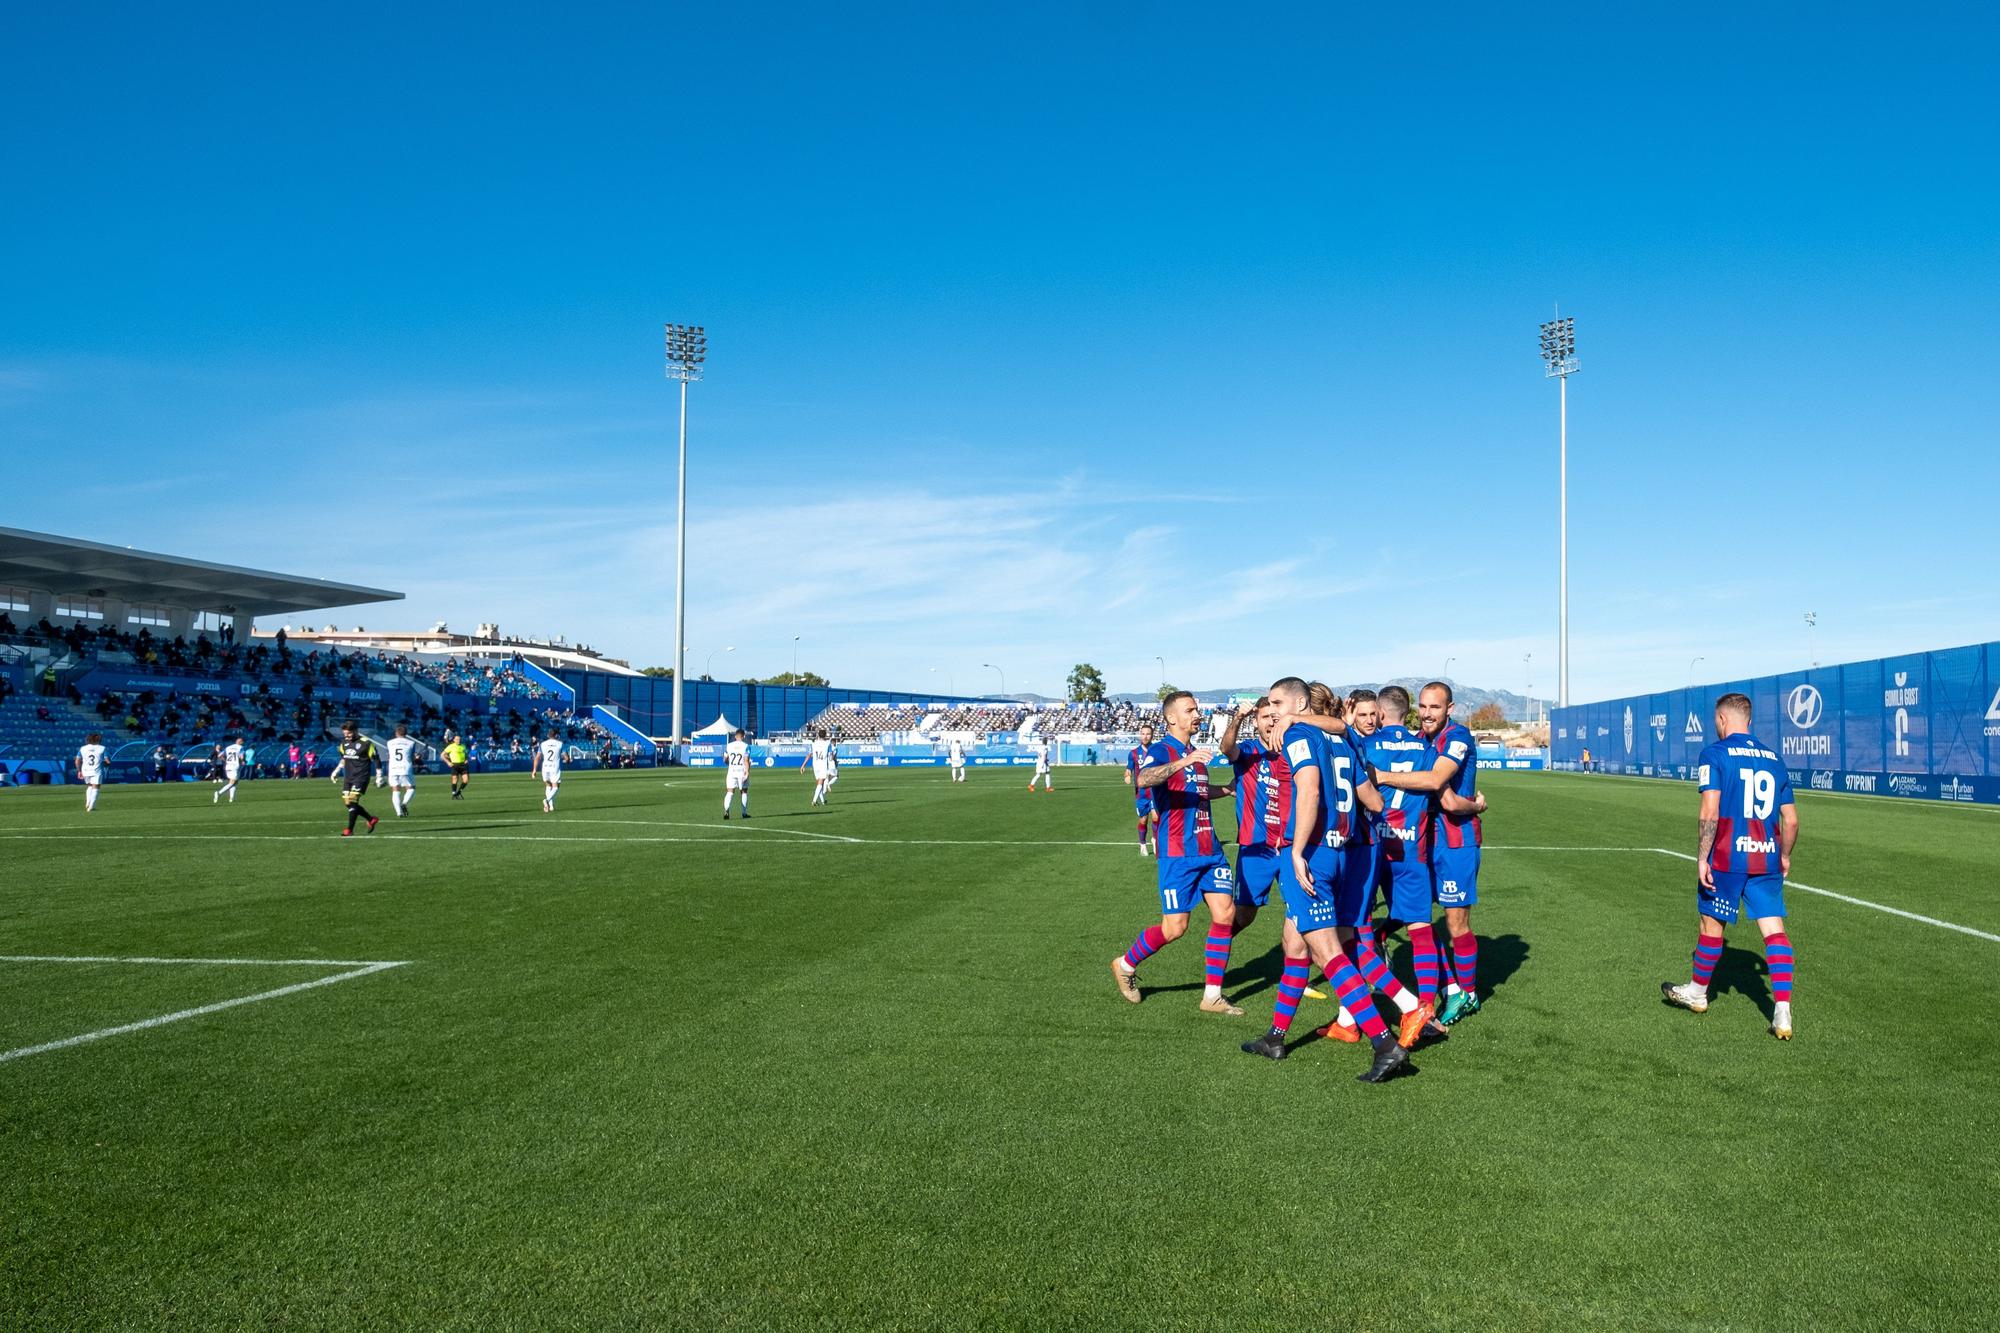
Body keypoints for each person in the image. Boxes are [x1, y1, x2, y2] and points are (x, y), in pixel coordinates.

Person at [1238, 677, 1415, 1082]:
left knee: (1330, 954)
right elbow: (1373, 800)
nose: (1273, 711)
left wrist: (1298, 850)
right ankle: (1276, 1036)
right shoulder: (1342, 739)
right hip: (1344, 852)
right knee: (1295, 945)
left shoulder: (1300, 732)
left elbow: (1310, 791)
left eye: (1278, 703)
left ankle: (1384, 1044)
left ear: (1299, 704)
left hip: (1311, 855)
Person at [1662, 693, 1800, 1039]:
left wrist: (1702, 857)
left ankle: (1697, 991)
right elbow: (1792, 820)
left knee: (1711, 925)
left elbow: (1710, 811)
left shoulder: (1714, 753)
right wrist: (1783, 855)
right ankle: (1782, 1011)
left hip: (1727, 857)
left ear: (1722, 720)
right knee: (1774, 931)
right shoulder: (1774, 758)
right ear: (1749, 721)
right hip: (1765, 855)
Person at [1108, 691, 1242, 1015]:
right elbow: (1144, 778)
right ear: (1171, 718)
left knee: (1225, 914)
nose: (1197, 714)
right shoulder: (1161, 750)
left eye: (1197, 709)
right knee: (1175, 928)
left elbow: (1195, 789)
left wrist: (1225, 789)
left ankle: (1212, 996)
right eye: (1190, 710)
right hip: (1178, 852)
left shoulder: (1193, 751)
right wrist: (1184, 761)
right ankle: (1125, 964)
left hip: (1209, 849)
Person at [1372, 682, 1487, 1025]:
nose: (1426, 714)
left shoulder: (1458, 737)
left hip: (1456, 840)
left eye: (1434, 707)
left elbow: (1441, 787)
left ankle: (1467, 992)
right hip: (1423, 840)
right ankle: (1449, 985)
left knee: (1455, 922)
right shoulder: (1420, 741)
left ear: (1449, 709)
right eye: (1422, 706)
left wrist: (1383, 775)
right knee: (1418, 915)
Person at [1358, 685, 1449, 1036]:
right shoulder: (1426, 748)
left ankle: (1357, 1012)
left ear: (1379, 714)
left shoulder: (1365, 744)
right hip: (1410, 848)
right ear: (1407, 713)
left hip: (1370, 845)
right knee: (1420, 929)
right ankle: (1425, 1008)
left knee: (1360, 926)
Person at [332, 720, 380, 836]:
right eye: (344, 734)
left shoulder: (366, 743)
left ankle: (349, 830)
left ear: (356, 731)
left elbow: (376, 759)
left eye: (348, 733)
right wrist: (336, 771)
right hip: (348, 777)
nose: (346, 736)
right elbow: (344, 758)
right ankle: (371, 819)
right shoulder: (343, 744)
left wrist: (379, 776)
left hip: (361, 776)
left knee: (353, 800)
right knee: (348, 803)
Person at [1123, 722, 1159, 855]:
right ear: (1140, 735)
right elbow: (1129, 768)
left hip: (1155, 791)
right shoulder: (1133, 753)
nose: (1145, 736)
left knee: (1156, 817)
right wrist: (1127, 775)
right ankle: (1142, 844)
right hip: (1142, 793)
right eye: (1143, 734)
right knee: (1143, 819)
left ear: (1152, 735)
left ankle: (1155, 839)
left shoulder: (1157, 750)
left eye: (1148, 734)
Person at [385, 723, 418, 817]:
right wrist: (416, 757)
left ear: (396, 733)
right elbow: (411, 757)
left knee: (395, 790)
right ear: (406, 733)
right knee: (411, 788)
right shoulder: (411, 743)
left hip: (393, 768)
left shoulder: (389, 742)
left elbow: (389, 755)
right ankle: (404, 804)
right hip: (405, 768)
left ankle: (399, 812)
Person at [723, 729, 752, 819]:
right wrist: (747, 772)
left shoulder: (729, 746)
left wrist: (729, 762)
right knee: (744, 792)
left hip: (731, 772)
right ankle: (744, 813)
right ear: (743, 736)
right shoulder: (746, 746)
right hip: (741, 772)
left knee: (730, 792)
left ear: (735, 736)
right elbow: (746, 760)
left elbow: (725, 760)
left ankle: (726, 810)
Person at [76, 731, 107, 812]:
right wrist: (105, 763)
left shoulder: (82, 748)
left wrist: (79, 771)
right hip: (96, 770)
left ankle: (87, 802)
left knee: (90, 786)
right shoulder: (102, 748)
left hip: (85, 770)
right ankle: (91, 806)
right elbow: (108, 761)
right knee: (96, 786)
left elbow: (77, 761)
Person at [804, 729, 834, 806]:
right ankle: (814, 801)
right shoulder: (828, 744)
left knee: (818, 784)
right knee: (821, 783)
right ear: (825, 735)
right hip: (823, 764)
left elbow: (809, 755)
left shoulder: (814, 743)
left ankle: (823, 801)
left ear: (818, 735)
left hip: (815, 764)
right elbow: (831, 756)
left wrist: (803, 765)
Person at [214, 734, 245, 805]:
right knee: (232, 782)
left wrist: (225, 760)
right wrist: (242, 761)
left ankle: (231, 798)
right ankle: (218, 793)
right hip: (235, 766)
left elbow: (219, 755)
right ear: (241, 742)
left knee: (234, 782)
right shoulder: (241, 747)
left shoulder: (228, 747)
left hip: (228, 766)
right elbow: (242, 757)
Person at [537, 732, 563, 813]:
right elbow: (566, 756)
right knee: (555, 787)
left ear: (548, 736)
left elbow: (537, 757)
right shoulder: (560, 743)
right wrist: (568, 760)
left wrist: (534, 770)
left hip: (545, 767)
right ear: (556, 735)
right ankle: (547, 800)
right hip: (554, 767)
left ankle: (551, 806)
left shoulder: (542, 744)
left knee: (548, 785)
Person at [443, 733, 470, 799]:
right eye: (457, 739)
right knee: (455, 779)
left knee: (466, 780)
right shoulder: (451, 746)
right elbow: (442, 755)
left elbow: (466, 754)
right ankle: (454, 794)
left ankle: (458, 793)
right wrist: (448, 762)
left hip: (463, 765)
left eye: (459, 739)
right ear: (454, 740)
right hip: (455, 765)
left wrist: (466, 759)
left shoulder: (463, 746)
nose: (459, 740)